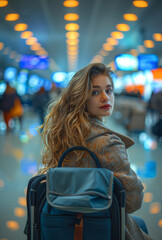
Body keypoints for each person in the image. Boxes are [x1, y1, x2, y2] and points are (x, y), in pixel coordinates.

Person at [38, 63, 153, 240]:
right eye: (95, 92)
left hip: (62, 224)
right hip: (99, 226)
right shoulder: (108, 143)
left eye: (109, 90)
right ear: (81, 97)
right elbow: (132, 202)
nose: (105, 98)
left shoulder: (63, 134)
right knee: (140, 224)